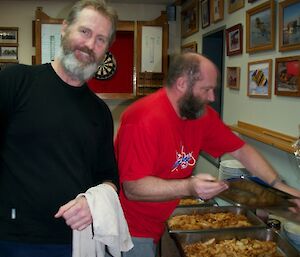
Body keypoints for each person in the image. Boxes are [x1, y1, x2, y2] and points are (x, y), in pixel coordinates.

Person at [114, 52, 300, 257]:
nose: (212, 97)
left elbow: (241, 150)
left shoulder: (201, 116)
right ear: (182, 84)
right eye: (206, 89)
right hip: (129, 230)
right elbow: (133, 187)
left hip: (159, 220)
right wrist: (189, 186)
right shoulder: (142, 119)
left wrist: (282, 189)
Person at [0, 0, 119, 256]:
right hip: (11, 240)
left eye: (100, 40)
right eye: (84, 32)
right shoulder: (16, 82)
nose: (89, 45)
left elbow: (109, 179)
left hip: (74, 242)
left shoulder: (100, 112)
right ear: (65, 29)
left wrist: (92, 204)